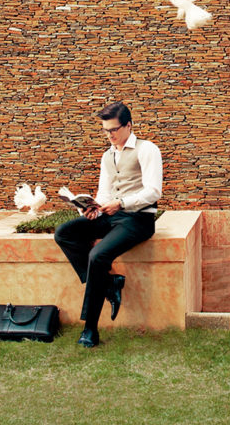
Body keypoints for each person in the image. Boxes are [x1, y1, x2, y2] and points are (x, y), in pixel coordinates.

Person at [53, 100, 162, 347]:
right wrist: (92, 209)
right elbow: (104, 193)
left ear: (128, 126)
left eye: (113, 130)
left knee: (98, 256)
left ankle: (90, 329)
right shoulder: (107, 156)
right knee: (64, 233)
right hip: (111, 216)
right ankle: (110, 284)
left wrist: (121, 203)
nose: (109, 135)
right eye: (105, 131)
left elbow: (154, 191)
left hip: (138, 219)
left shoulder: (147, 150)